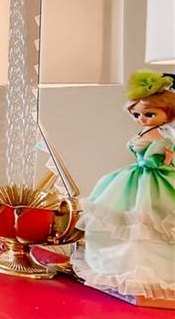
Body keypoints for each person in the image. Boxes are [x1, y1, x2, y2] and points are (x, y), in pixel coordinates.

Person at [75, 70, 175, 305]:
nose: (142, 119)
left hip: (155, 179)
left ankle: (152, 273)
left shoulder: (162, 135)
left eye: (149, 114)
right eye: (137, 114)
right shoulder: (147, 131)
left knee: (149, 223)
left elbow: (166, 158)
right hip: (136, 176)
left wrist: (158, 160)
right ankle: (118, 266)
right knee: (124, 220)